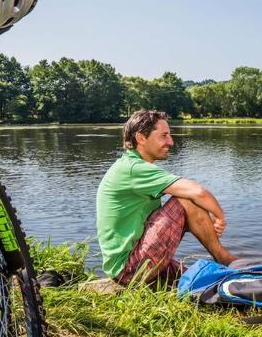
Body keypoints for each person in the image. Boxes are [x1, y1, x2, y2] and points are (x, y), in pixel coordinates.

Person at [96, 110, 237, 285]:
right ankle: (224, 258)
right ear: (141, 138)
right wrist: (219, 216)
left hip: (134, 262)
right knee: (185, 199)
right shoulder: (134, 168)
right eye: (164, 136)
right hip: (130, 269)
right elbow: (198, 192)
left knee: (208, 282)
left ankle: (230, 270)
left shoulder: (130, 165)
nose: (170, 142)